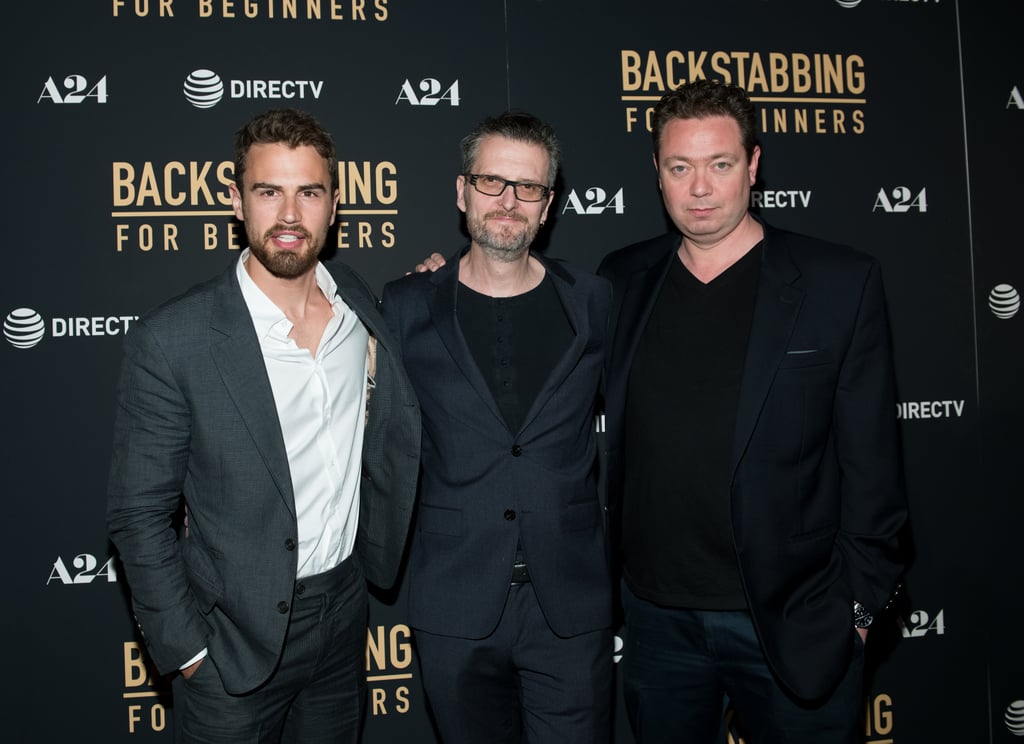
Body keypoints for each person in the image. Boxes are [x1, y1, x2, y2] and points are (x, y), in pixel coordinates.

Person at [597, 79, 908, 743]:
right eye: (680, 167)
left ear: (754, 164)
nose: (700, 188)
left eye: (720, 165)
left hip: (793, 620)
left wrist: (855, 610)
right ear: (656, 172)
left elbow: (874, 467)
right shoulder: (622, 279)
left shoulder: (836, 283)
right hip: (655, 621)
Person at [106, 108, 421, 743]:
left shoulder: (357, 304)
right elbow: (138, 514)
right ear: (235, 201)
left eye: (308, 192)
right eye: (268, 191)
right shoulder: (175, 339)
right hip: (231, 640)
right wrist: (188, 651)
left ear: (334, 206)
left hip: (342, 617)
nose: (288, 214)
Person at [380, 112, 614, 744]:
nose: (508, 201)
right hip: (455, 602)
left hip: (569, 605)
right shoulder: (404, 307)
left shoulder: (595, 301)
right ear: (461, 192)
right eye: (491, 182)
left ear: (549, 205)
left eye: (529, 187)